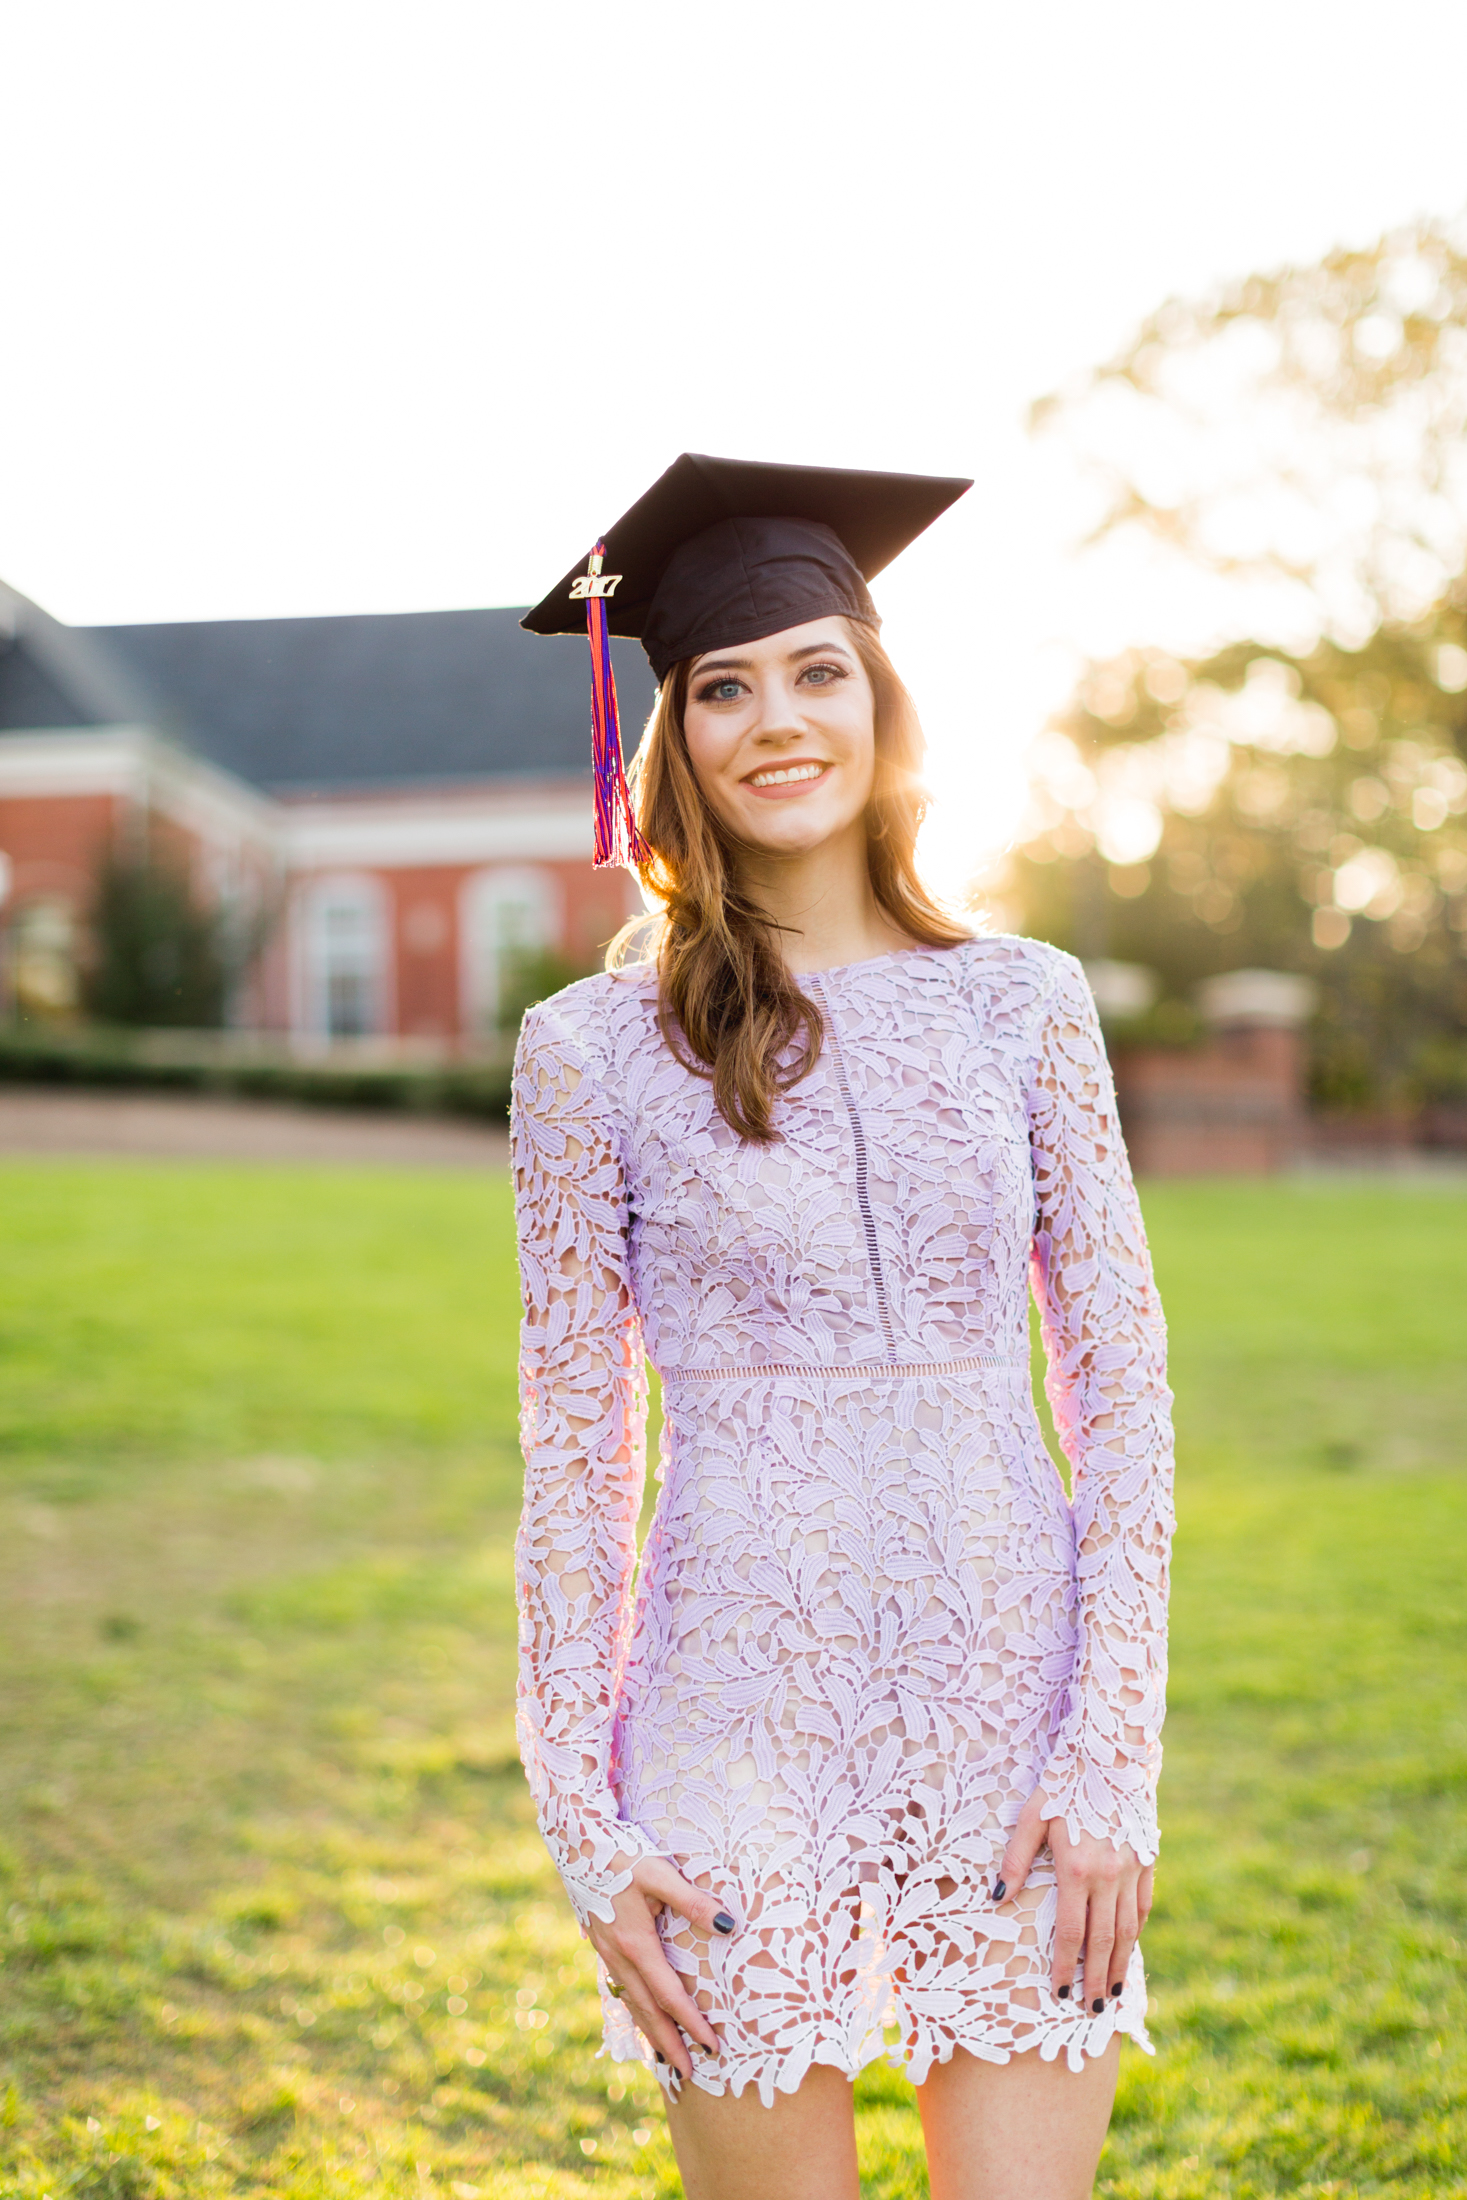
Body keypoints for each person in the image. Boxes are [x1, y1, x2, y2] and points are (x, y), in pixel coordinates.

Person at [511, 455, 1175, 2200]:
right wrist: (585, 1825)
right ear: (674, 738)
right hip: (729, 1713)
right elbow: (577, 1460)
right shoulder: (587, 1056)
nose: (776, 721)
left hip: (1008, 1700)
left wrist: (1110, 1763)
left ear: (884, 702)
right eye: (722, 687)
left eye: (818, 671)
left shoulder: (1027, 1007)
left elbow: (1125, 1398)